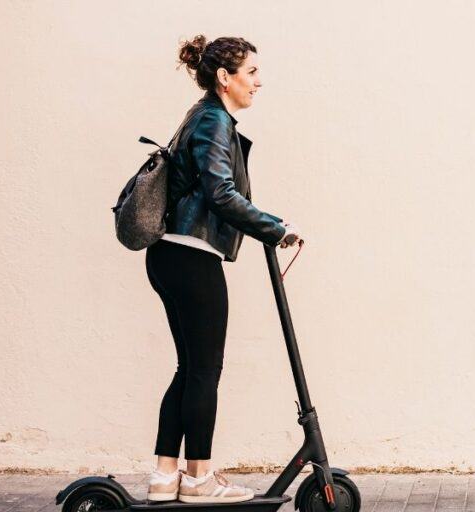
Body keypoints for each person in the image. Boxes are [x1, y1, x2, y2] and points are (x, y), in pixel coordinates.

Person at [143, 34, 302, 504]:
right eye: (250, 72)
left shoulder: (202, 116)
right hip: (192, 256)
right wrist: (276, 227)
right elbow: (221, 193)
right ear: (224, 78)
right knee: (205, 371)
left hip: (170, 256)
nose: (258, 82)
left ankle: (165, 476)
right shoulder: (213, 120)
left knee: (189, 369)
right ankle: (199, 480)